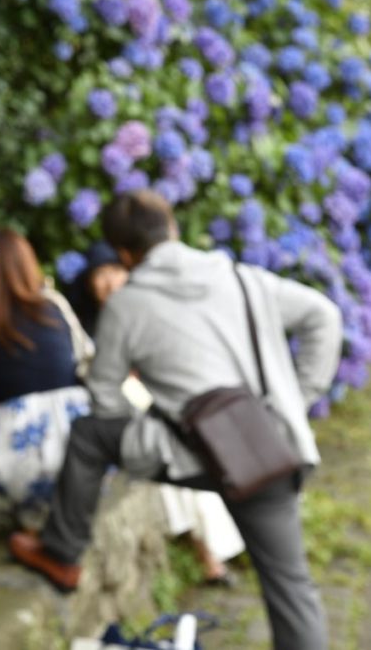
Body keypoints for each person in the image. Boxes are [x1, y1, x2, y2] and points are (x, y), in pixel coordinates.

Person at [10, 190, 342, 650]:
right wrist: (294, 401)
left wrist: (151, 431)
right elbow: (324, 316)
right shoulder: (243, 279)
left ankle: (63, 554)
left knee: (89, 435)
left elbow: (105, 399)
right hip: (266, 449)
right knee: (291, 588)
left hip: (187, 454)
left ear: (124, 254)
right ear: (173, 228)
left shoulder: (127, 305)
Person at [67, 242, 246, 586]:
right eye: (99, 276)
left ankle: (215, 552)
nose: (108, 283)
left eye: (114, 272)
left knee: (192, 461)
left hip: (158, 408)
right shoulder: (86, 324)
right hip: (121, 419)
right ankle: (210, 556)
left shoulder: (145, 308)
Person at [0, 229, 94, 526]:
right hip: (74, 434)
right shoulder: (52, 305)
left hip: (11, 448)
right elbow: (86, 355)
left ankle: (34, 514)